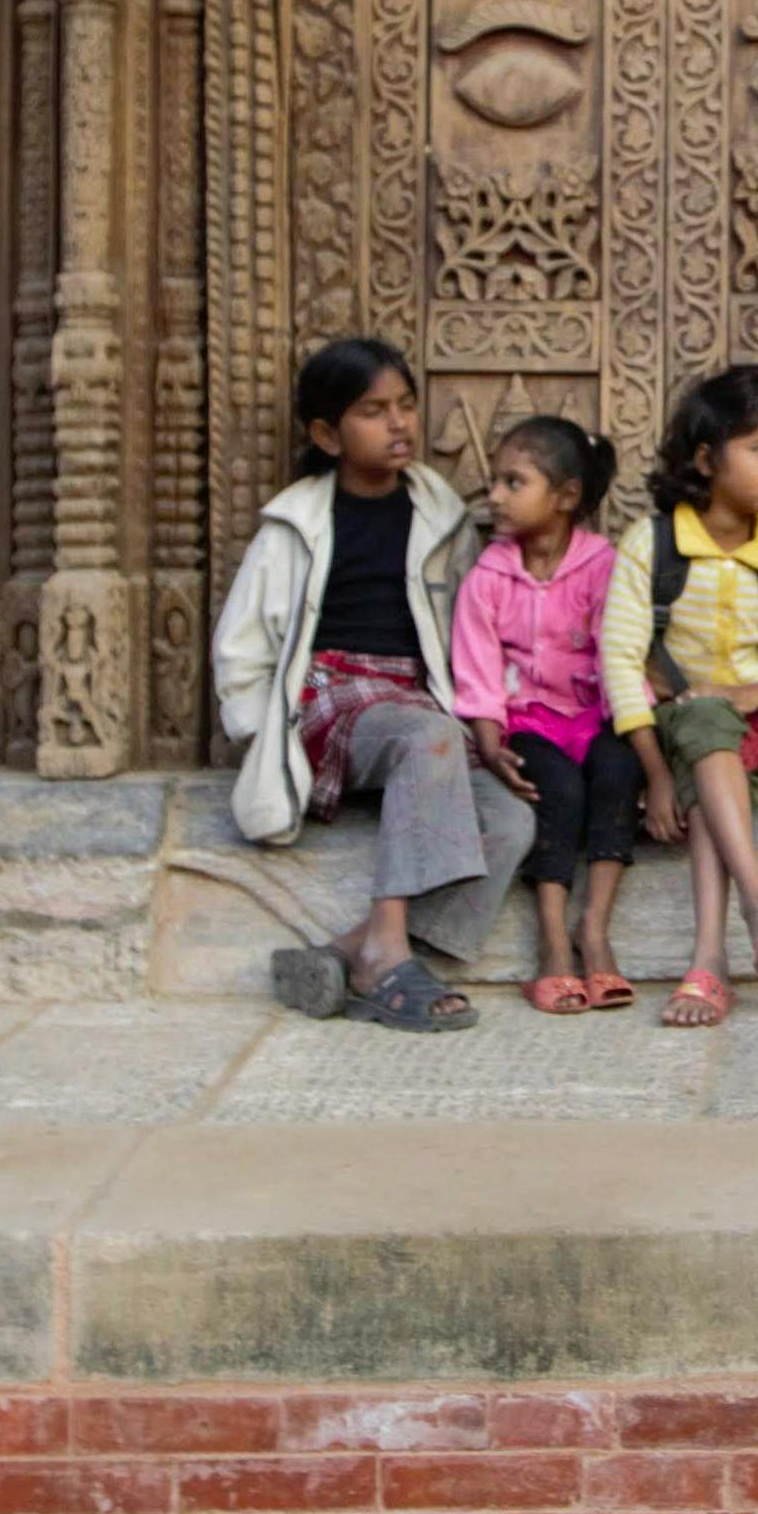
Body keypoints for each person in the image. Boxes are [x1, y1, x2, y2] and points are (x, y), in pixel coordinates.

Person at [211, 338, 535, 1035]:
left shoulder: (440, 514)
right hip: (327, 693)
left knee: (513, 821)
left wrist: (488, 717)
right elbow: (241, 646)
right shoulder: (293, 525)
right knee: (427, 734)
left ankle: (358, 947)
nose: (399, 424)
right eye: (373, 411)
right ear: (328, 434)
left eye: (407, 406)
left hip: (421, 701)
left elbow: (476, 628)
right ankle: (387, 958)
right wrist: (259, 735)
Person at [603, 363, 758, 1028]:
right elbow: (621, 661)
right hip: (664, 730)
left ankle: (711, 960)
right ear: (708, 459)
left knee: (714, 730)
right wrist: (655, 774)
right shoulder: (652, 544)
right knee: (705, 726)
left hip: (749, 730)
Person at [449, 415, 638, 1014]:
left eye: (513, 483)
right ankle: (554, 941)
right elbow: (476, 667)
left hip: (593, 715)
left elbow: (621, 650)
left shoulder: (603, 565)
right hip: (529, 720)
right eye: (495, 483)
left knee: (616, 775)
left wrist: (629, 730)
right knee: (554, 790)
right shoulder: (489, 576)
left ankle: (596, 930)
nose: (495, 497)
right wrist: (487, 738)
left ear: (565, 498)